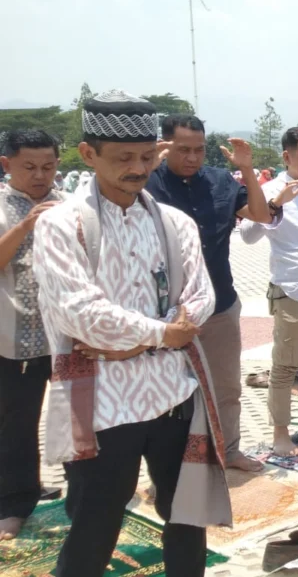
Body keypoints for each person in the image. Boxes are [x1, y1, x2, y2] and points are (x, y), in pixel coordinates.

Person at [32, 90, 231, 577]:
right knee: (95, 523)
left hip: (173, 396)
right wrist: (164, 336)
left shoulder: (173, 222)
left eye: (146, 157)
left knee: (186, 516)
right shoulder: (62, 225)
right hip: (103, 403)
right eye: (123, 158)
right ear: (88, 155)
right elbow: (80, 314)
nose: (137, 168)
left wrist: (136, 341)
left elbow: (201, 298)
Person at [145, 114, 279, 472]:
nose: (192, 157)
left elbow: (262, 215)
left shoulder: (220, 181)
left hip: (219, 302)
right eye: (183, 150)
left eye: (199, 150)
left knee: (225, 385)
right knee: (169, 391)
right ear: (164, 146)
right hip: (164, 311)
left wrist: (247, 170)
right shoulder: (147, 183)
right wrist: (146, 166)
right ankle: (170, 465)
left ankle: (229, 450)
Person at [240, 127, 298, 456]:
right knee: (285, 367)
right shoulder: (270, 190)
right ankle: (281, 433)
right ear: (287, 157)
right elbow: (248, 235)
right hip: (291, 291)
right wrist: (275, 204)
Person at [0, 129, 65, 541]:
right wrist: (25, 226)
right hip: (14, 339)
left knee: (73, 419)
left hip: (65, 339)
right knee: (16, 426)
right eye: (30, 167)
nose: (41, 175)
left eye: (48, 166)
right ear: (6, 165)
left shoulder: (67, 205)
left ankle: (80, 494)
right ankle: (14, 503)